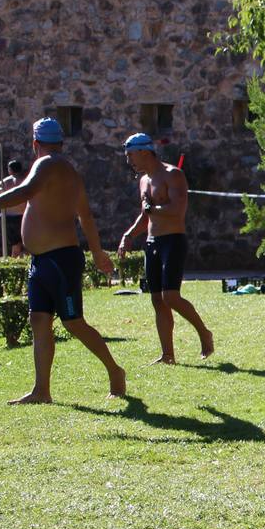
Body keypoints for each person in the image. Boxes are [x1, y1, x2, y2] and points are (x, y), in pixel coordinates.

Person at [0, 118, 125, 403]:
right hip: (42, 260)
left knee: (73, 322)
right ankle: (41, 390)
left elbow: (25, 193)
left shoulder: (47, 164)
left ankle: (115, 371)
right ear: (60, 141)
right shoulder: (67, 171)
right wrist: (97, 252)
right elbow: (85, 215)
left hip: (60, 259)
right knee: (38, 319)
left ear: (35, 144)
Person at [117, 133, 214, 364]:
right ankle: (167, 355)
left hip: (173, 240)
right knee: (157, 300)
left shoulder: (173, 174)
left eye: (130, 155)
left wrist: (152, 210)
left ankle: (203, 333)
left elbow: (177, 210)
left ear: (144, 152)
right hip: (152, 242)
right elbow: (145, 215)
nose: (128, 160)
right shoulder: (143, 180)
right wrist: (128, 235)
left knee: (170, 296)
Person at [0, 160, 27, 257]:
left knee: (15, 244)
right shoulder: (26, 181)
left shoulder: (5, 182)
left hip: (9, 217)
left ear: (10, 170)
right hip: (24, 216)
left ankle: (15, 264)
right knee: (24, 243)